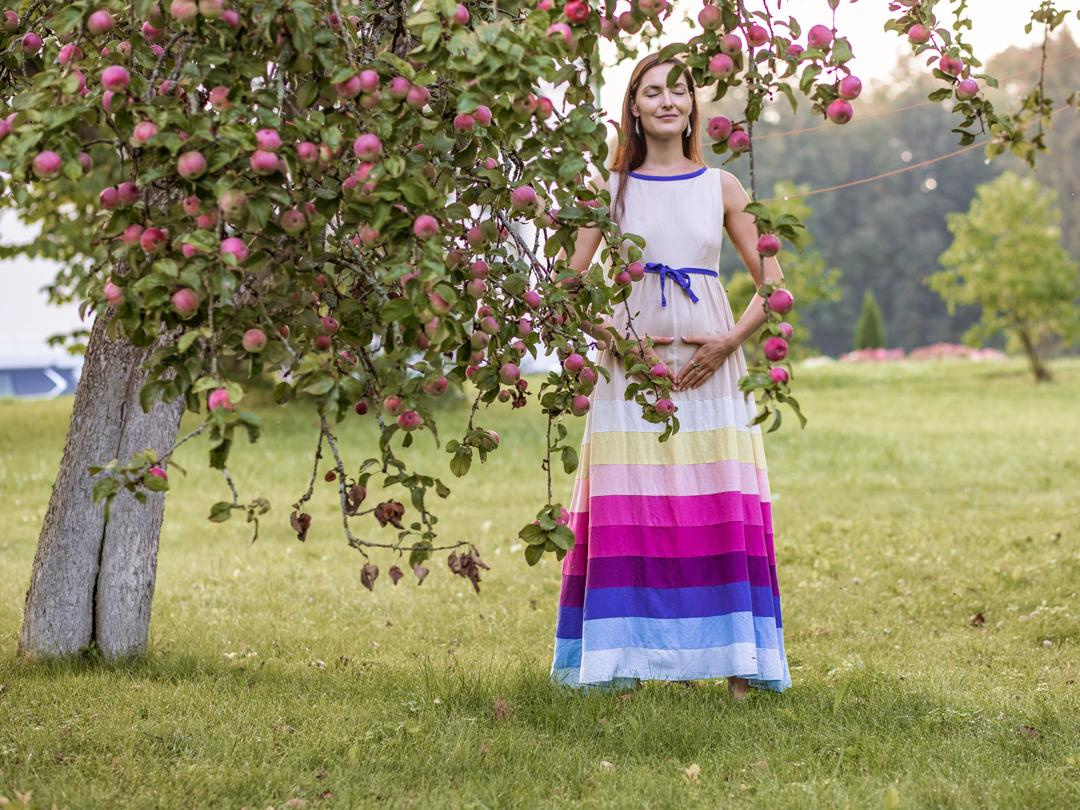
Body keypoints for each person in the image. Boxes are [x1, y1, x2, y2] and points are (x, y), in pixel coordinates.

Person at [549, 52, 792, 699]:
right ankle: (620, 663)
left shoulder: (722, 187)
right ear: (633, 105)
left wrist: (727, 344)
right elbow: (566, 289)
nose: (666, 101)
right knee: (633, 504)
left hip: (712, 370)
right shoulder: (608, 190)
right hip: (631, 374)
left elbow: (775, 288)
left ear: (692, 106)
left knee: (718, 501)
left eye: (678, 91)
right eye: (652, 91)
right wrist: (622, 347)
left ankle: (741, 664)